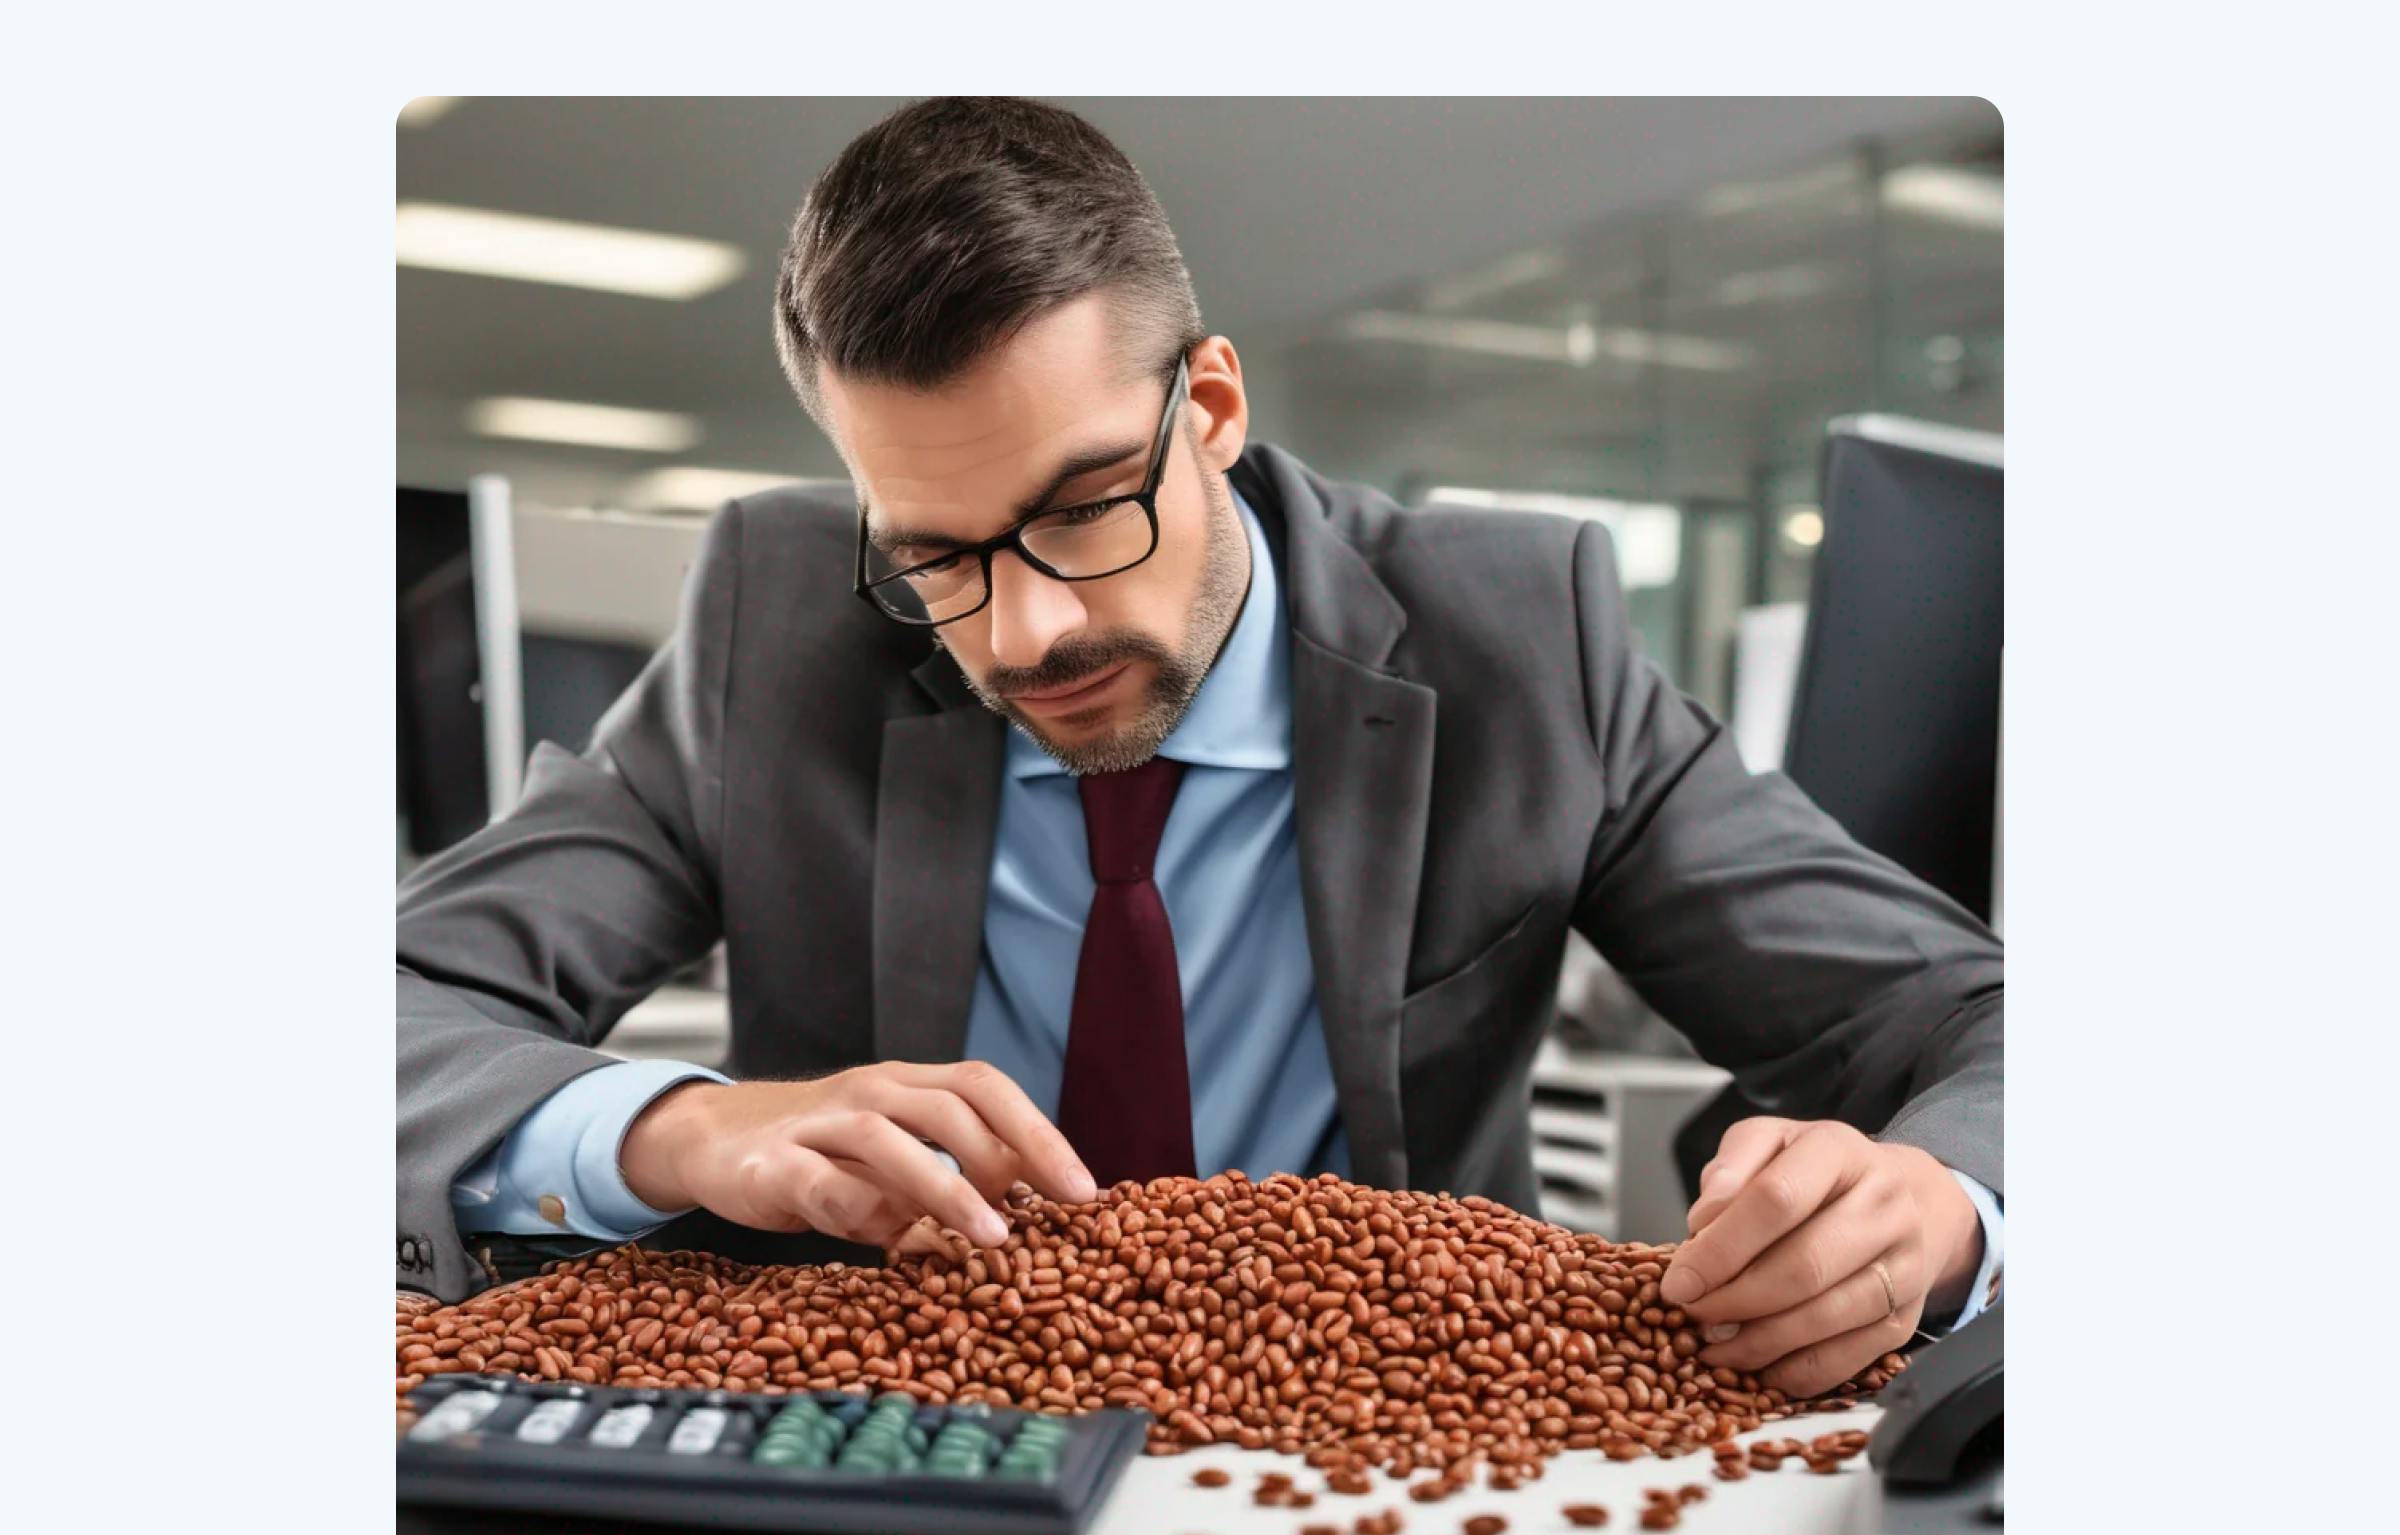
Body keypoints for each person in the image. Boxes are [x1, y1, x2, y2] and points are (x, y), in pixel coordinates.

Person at [397, 96, 2003, 1399]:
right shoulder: (774, 626)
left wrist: (1934, 1210)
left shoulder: (1524, 637)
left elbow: (1967, 1020)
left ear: (1214, 406)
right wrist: (677, 1127)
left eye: (1087, 506)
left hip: (1388, 1445)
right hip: (904, 1439)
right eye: (938, 555)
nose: (1025, 636)